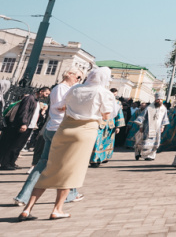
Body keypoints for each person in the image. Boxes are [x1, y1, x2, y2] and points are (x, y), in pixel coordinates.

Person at [18, 66, 117, 221]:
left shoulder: (76, 88)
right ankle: (57, 209)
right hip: (84, 132)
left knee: (49, 168)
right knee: (71, 172)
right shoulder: (104, 93)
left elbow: (60, 107)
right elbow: (106, 115)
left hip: (63, 129)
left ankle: (27, 208)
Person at [13, 69, 84, 207]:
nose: (78, 80)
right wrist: (76, 105)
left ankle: (71, 193)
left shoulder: (65, 88)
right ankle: (24, 196)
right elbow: (58, 107)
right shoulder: (61, 88)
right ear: (69, 74)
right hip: (58, 129)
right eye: (78, 76)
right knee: (60, 164)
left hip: (56, 128)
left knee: (57, 163)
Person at [0, 86, 48, 170]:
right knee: (14, 145)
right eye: (46, 93)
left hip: (29, 127)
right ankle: (6, 163)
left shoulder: (36, 101)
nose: (46, 96)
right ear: (41, 91)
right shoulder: (29, 98)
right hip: (24, 126)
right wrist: (23, 123)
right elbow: (24, 111)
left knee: (19, 146)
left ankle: (11, 162)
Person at [89, 88, 125, 167]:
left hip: (110, 126)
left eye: (115, 95)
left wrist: (118, 126)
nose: (113, 96)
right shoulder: (102, 100)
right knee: (97, 142)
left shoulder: (117, 103)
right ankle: (94, 160)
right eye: (112, 94)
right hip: (100, 124)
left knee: (107, 142)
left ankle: (104, 158)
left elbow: (119, 114)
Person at [132, 92, 170, 160]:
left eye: (161, 99)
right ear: (155, 99)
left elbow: (165, 118)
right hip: (147, 128)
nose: (160, 101)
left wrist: (163, 127)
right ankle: (139, 153)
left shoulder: (163, 108)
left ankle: (151, 156)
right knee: (144, 142)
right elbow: (142, 117)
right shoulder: (149, 108)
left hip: (157, 129)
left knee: (155, 143)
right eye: (158, 99)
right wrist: (141, 126)